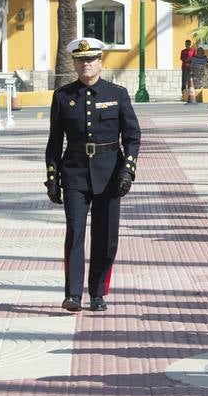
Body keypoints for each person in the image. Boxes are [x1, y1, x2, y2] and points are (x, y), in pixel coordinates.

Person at [45, 37, 141, 312]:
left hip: (110, 173)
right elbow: (54, 141)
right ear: (74, 63)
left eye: (91, 59)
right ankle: (73, 294)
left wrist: (128, 171)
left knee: (106, 236)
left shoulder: (117, 94)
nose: (86, 64)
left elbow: (132, 136)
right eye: (81, 60)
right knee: (75, 232)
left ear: (100, 62)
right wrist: (53, 177)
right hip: (74, 171)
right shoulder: (63, 96)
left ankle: (97, 293)